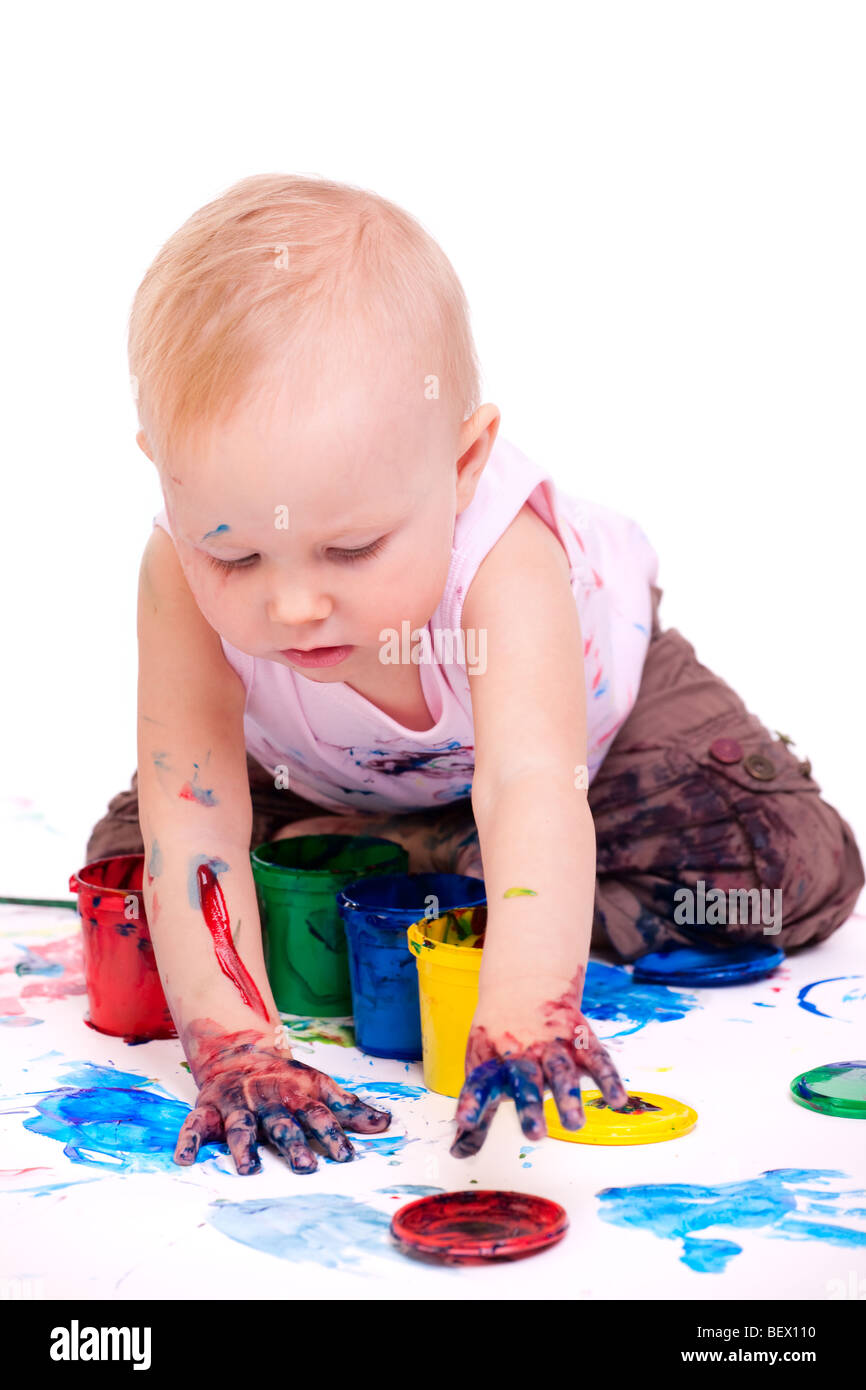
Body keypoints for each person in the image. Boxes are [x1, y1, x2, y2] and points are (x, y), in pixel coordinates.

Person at [87, 173, 863, 1174]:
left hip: (579, 731)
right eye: (233, 557)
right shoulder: (171, 564)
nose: (289, 608)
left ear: (461, 467)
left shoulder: (502, 554)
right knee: (129, 876)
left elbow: (527, 782)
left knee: (785, 867)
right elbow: (191, 819)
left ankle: (423, 883)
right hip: (321, 774)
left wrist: (521, 1011)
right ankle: (430, 872)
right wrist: (237, 1051)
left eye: (353, 548)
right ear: (166, 478)